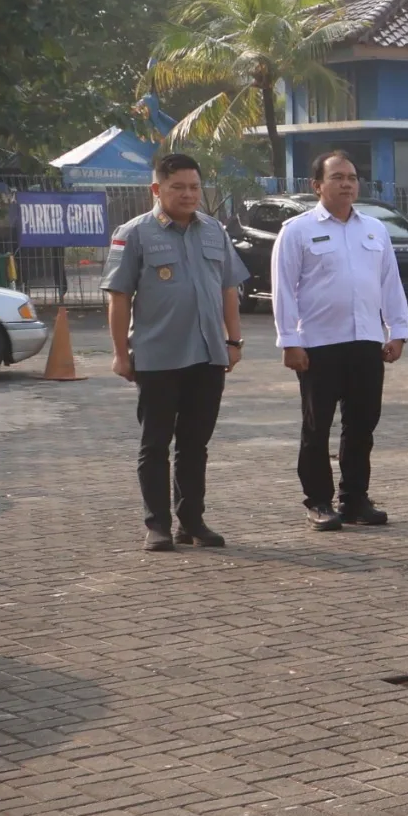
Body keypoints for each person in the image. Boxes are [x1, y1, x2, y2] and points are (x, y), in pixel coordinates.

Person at [104, 152, 243, 551]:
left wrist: (233, 341)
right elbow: (119, 297)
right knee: (155, 444)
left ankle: (192, 521)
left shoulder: (215, 230)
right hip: (157, 357)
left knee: (195, 444)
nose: (188, 195)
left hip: (207, 355)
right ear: (156, 189)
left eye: (194, 187)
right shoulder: (133, 234)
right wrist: (120, 353)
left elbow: (228, 289)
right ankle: (157, 524)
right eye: (178, 187)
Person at [272, 151, 408, 530]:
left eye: (351, 176)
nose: (347, 183)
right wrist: (290, 341)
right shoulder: (297, 230)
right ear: (317, 185)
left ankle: (354, 499)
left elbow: (389, 283)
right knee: (317, 427)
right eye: (337, 177)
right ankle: (318, 501)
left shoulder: (375, 229)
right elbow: (283, 288)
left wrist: (397, 330)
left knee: (362, 424)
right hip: (317, 344)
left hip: (365, 341)